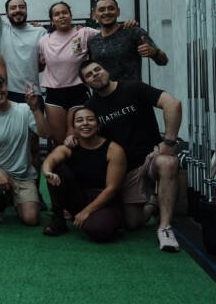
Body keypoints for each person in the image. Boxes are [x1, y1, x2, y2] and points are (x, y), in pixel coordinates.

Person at [78, 60, 182, 251]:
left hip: (152, 157)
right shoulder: (91, 106)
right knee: (132, 223)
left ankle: (165, 228)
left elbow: (172, 104)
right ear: (86, 84)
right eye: (89, 75)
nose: (95, 75)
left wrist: (169, 142)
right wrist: (71, 138)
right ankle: (153, 202)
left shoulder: (133, 88)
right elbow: (86, 133)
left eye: (97, 69)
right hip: (127, 168)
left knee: (168, 162)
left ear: (106, 70)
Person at [0, 73, 50, 225]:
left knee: (31, 219)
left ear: (6, 86)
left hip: (22, 175)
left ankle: (14, 199)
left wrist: (35, 109)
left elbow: (46, 134)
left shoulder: (24, 109)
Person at [42, 107, 127, 242]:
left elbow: (112, 189)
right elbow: (51, 159)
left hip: (104, 200)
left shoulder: (114, 150)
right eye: (79, 120)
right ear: (74, 128)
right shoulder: (69, 148)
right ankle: (58, 220)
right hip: (79, 197)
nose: (85, 123)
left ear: (98, 125)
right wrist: (47, 172)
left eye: (90, 119)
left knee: (99, 230)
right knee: (57, 170)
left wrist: (86, 211)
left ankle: (104, 220)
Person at [38, 2, 98, 145]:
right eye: (57, 14)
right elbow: (40, 64)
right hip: (54, 94)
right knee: (59, 141)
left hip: (78, 92)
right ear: (52, 20)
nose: (61, 16)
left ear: (71, 15)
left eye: (64, 12)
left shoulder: (84, 33)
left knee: (77, 138)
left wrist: (128, 25)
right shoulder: (44, 41)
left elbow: (109, 34)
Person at [87, 0, 168, 82]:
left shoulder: (134, 32)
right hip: (103, 90)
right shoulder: (92, 41)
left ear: (118, 11)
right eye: (101, 10)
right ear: (94, 15)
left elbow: (163, 61)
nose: (107, 12)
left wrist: (155, 53)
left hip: (132, 89)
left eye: (111, 8)